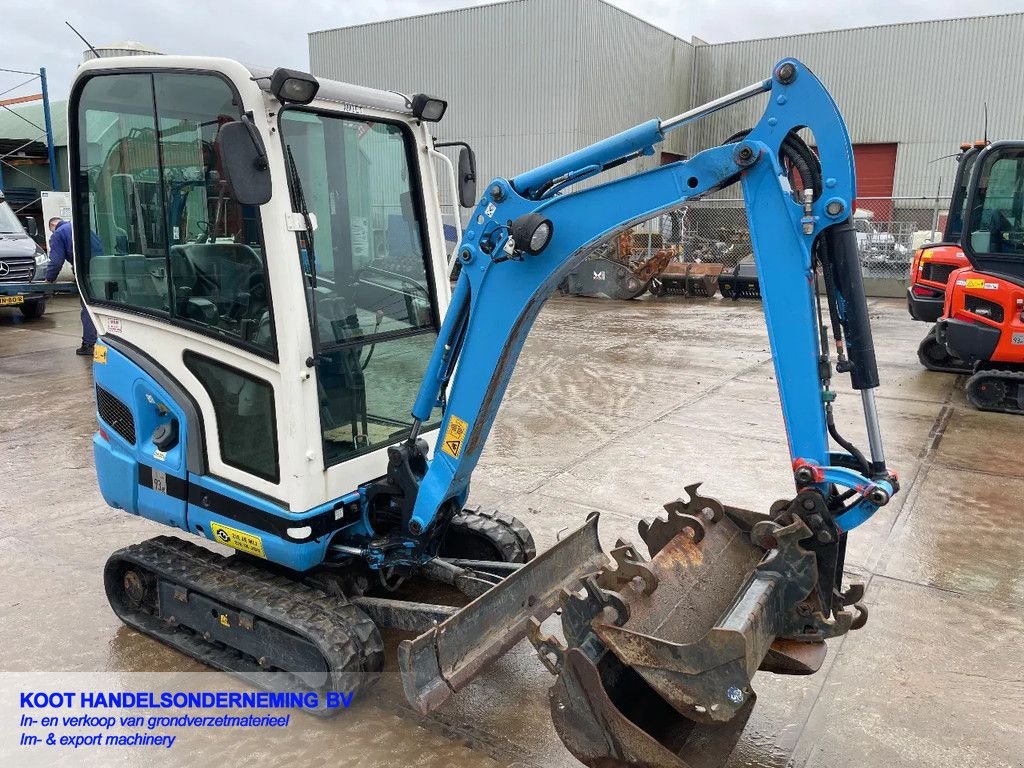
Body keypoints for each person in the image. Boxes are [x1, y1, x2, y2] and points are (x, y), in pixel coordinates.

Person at [46, 217, 98, 356]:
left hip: (86, 272)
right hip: (100, 267)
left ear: (53, 226)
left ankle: (89, 344)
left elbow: (56, 261)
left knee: (87, 308)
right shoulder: (80, 227)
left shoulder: (59, 233)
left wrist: (49, 278)